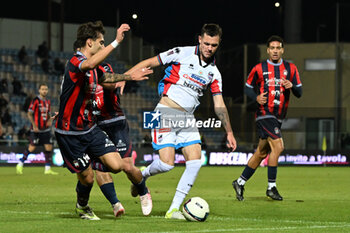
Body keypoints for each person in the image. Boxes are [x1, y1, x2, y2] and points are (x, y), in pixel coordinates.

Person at [126, 23, 237, 219]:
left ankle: (173, 210)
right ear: (200, 39)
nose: (209, 48)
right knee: (167, 164)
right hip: (165, 111)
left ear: (218, 45)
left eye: (214, 45)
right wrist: (124, 78)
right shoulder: (181, 53)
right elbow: (151, 62)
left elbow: (219, 103)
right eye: (207, 43)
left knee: (195, 161)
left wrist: (228, 131)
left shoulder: (214, 73)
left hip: (187, 118)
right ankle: (141, 177)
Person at [54, 21, 152, 221]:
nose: (102, 45)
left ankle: (115, 189)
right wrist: (116, 42)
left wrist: (129, 76)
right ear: (90, 43)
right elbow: (89, 65)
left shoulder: (93, 68)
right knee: (88, 179)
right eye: (101, 42)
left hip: (89, 128)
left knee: (117, 165)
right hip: (70, 133)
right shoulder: (76, 61)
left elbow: (105, 78)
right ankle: (82, 206)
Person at [232, 35, 302, 201]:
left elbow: (299, 92)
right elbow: (248, 87)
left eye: (278, 48)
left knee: (262, 152)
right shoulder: (259, 68)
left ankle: (240, 182)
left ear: (282, 50)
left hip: (278, 117)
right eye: (272, 48)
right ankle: (271, 187)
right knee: (278, 147)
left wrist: (292, 87)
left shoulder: (291, 68)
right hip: (264, 113)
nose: (275, 51)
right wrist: (255, 97)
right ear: (268, 50)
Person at [91, 61, 152, 217]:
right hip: (96, 127)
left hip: (115, 122)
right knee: (99, 169)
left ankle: (143, 192)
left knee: (127, 166)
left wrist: (92, 80)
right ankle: (115, 204)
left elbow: (111, 85)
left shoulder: (103, 67)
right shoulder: (81, 72)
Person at [16, 83, 58, 175]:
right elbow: (29, 113)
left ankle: (47, 169)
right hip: (36, 130)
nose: (44, 91)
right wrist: (34, 125)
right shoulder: (35, 100)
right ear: (39, 90)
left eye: (46, 89)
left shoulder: (48, 101)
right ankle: (20, 163)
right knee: (32, 147)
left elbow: (48, 113)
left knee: (49, 147)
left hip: (45, 129)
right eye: (42, 89)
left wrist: (50, 120)